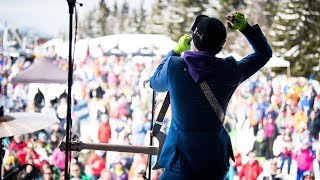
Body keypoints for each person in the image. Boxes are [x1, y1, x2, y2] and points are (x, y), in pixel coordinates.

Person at [149, 12, 272, 179]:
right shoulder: (230, 70)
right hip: (214, 162)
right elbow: (264, 53)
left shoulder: (174, 67)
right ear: (220, 46)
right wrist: (245, 28)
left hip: (179, 163)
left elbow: (154, 83)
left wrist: (175, 51)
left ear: (193, 38)